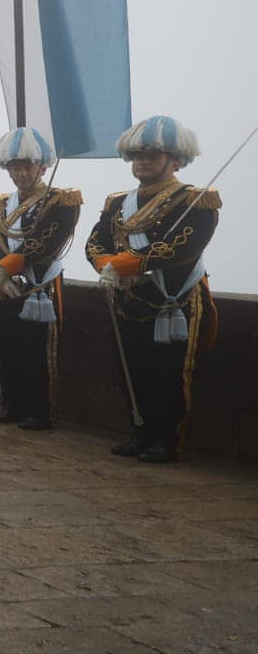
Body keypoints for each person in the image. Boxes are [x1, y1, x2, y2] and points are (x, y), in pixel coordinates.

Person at [86, 115, 219, 463]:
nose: (142, 162)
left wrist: (122, 264)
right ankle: (140, 431)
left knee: (171, 374)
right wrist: (104, 265)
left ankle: (169, 440)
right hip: (129, 300)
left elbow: (179, 249)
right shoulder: (118, 203)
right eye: (137, 156)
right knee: (134, 370)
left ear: (175, 160)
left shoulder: (196, 201)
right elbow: (94, 243)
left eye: (152, 156)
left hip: (173, 303)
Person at [0, 127, 79, 432]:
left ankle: (40, 410)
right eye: (15, 167)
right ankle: (13, 404)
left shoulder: (61, 201)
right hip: (2, 286)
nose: (21, 173)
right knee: (6, 347)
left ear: (43, 167)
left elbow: (46, 244)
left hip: (38, 287)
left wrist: (4, 267)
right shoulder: (1, 205)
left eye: (28, 166)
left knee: (37, 351)